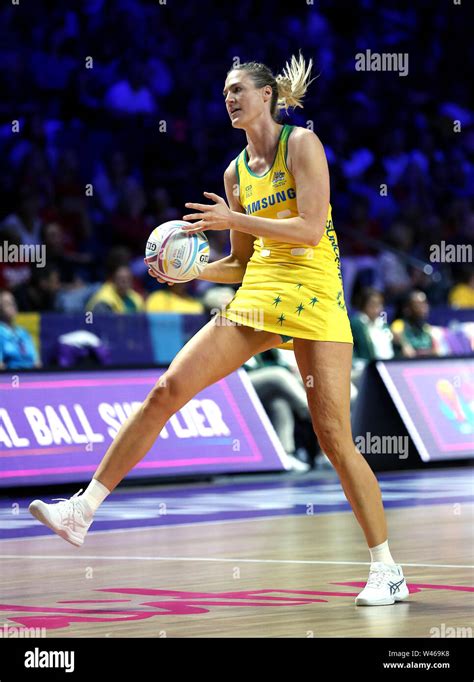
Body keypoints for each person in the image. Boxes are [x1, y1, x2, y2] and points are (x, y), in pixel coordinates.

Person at [29, 53, 408, 607]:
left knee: (334, 440)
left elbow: (306, 229)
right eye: (224, 91)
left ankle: (387, 568)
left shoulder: (301, 144)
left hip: (316, 294)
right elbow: (241, 262)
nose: (229, 98)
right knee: (167, 389)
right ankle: (81, 509)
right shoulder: (234, 173)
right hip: (258, 296)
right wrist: (191, 268)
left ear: (267, 96)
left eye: (238, 89)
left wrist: (234, 221)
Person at [0, 289, 41, 369]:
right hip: (10, 377)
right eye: (7, 304)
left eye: (13, 303)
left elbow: (36, 362)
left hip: (31, 377)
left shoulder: (23, 332)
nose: (13, 306)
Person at [391, 289, 438, 358]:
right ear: (407, 309)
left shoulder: (427, 328)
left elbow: (436, 352)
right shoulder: (398, 325)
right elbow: (407, 352)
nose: (424, 308)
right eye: (418, 305)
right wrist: (404, 345)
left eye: (425, 303)